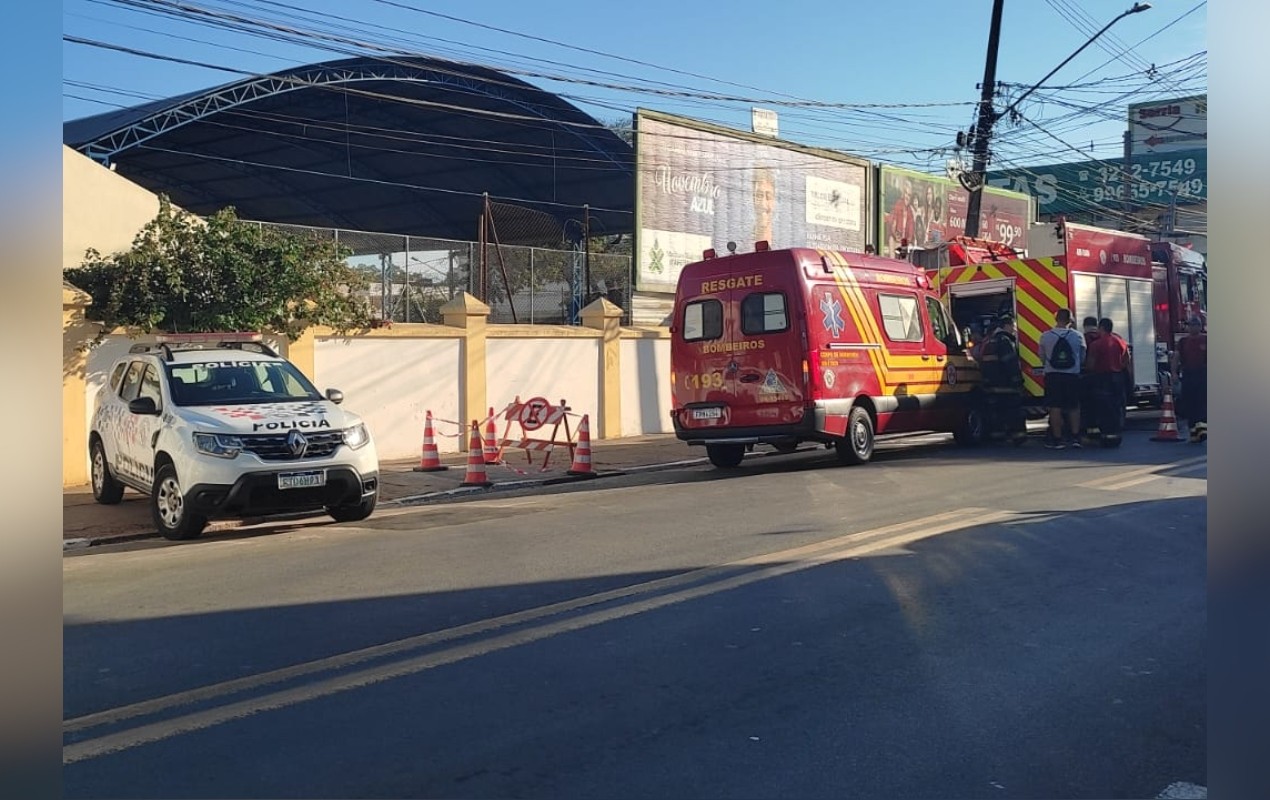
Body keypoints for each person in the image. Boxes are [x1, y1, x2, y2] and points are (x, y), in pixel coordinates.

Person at [1038, 308, 1086, 449]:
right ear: (1070, 320)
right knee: (1074, 406)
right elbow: (1082, 357)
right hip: (1072, 376)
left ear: (1056, 318)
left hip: (1053, 376)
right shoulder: (1078, 336)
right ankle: (1076, 437)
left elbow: (1042, 356)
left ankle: (1058, 439)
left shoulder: (1045, 336)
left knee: (1055, 407)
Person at [977, 313, 1027, 444]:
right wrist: (1018, 380)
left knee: (997, 411)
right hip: (1007, 385)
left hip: (993, 385)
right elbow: (1010, 362)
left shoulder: (989, 340)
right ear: (1007, 325)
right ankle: (1018, 436)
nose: (1015, 330)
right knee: (1013, 411)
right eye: (1013, 326)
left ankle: (998, 435)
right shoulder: (1004, 340)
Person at [1087, 317, 1131, 444]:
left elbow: (1090, 364)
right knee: (1116, 406)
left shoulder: (1096, 344)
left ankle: (1106, 434)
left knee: (1104, 407)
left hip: (1102, 378)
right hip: (1118, 378)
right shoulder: (1120, 341)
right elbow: (1126, 360)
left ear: (1101, 328)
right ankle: (1116, 432)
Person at [1171, 316, 1207, 442]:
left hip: (1202, 374)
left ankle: (1202, 429)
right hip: (1188, 375)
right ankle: (1193, 432)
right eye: (1191, 325)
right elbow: (1176, 357)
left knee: (1202, 402)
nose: (1193, 327)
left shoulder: (1206, 339)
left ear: (1200, 326)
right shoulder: (1183, 342)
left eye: (1195, 325)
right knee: (1190, 403)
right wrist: (1174, 373)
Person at [1079, 316, 1101, 439]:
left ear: (1084, 326)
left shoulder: (1081, 338)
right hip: (1103, 376)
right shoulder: (1104, 338)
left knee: (1087, 404)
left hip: (1086, 376)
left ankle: (1089, 428)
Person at [752, 166, 776, 246]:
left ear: (774, 201)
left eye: (768, 196)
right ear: (753, 199)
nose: (763, 204)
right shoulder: (742, 248)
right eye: (759, 195)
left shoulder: (784, 246)